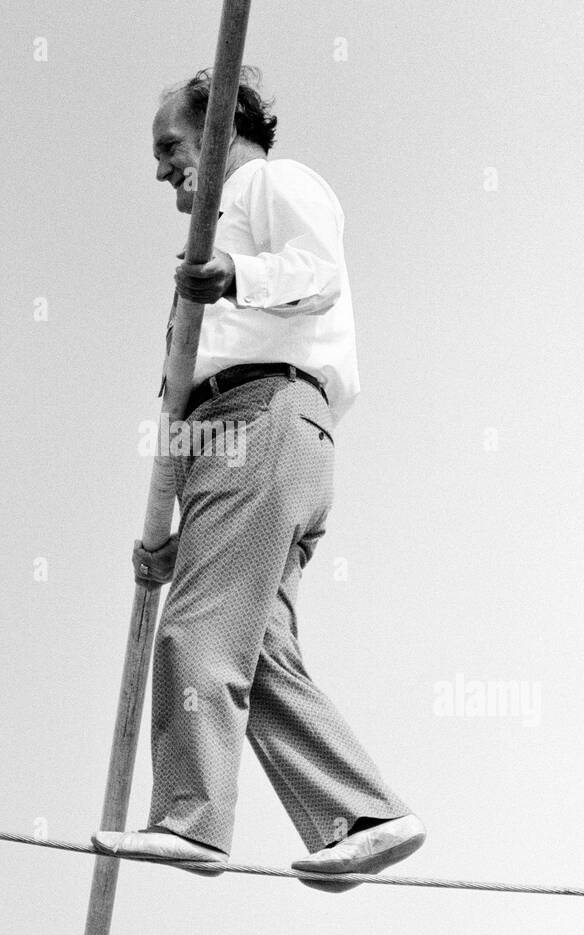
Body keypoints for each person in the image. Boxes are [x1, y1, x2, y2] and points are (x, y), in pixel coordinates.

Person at [92, 67, 425, 888]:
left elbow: (318, 272)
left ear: (215, 129)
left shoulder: (272, 184)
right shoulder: (211, 250)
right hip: (235, 440)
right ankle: (367, 813)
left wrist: (235, 277)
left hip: (261, 422)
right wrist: (165, 525)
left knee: (196, 634)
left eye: (170, 145)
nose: (160, 167)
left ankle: (192, 820)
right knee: (257, 654)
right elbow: (183, 389)